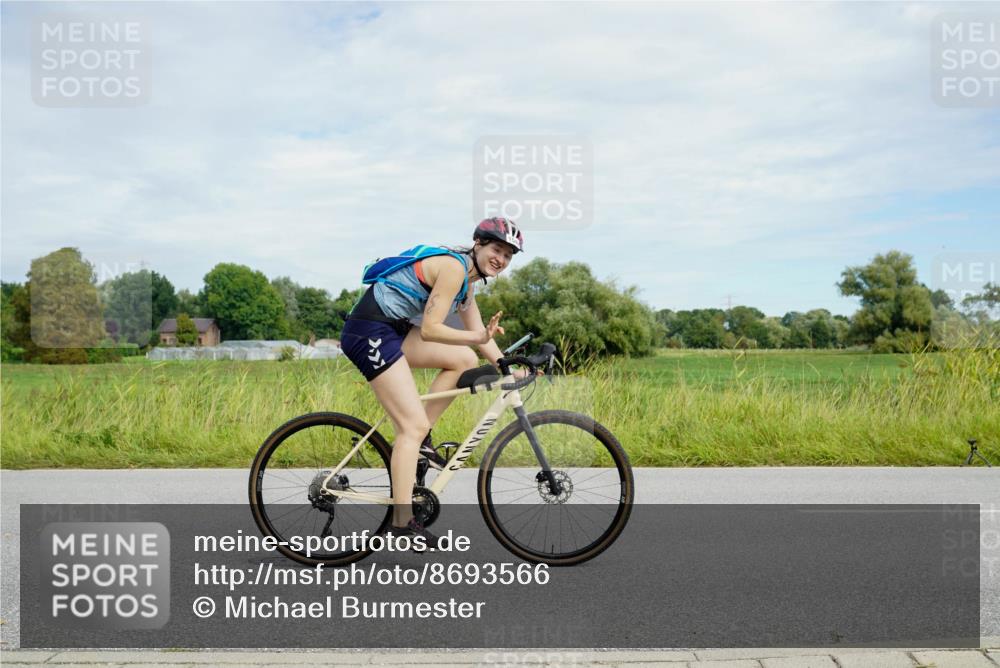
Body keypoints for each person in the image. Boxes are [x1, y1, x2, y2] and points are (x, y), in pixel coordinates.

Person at [339, 217, 526, 548]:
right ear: (478, 244)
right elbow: (431, 329)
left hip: (392, 330)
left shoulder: (468, 284)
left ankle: (422, 440)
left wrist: (506, 367)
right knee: (409, 428)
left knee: (464, 360)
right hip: (369, 330)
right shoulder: (454, 270)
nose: (501, 259)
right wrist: (476, 336)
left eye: (509, 255)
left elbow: (480, 338)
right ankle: (401, 521)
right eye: (497, 249)